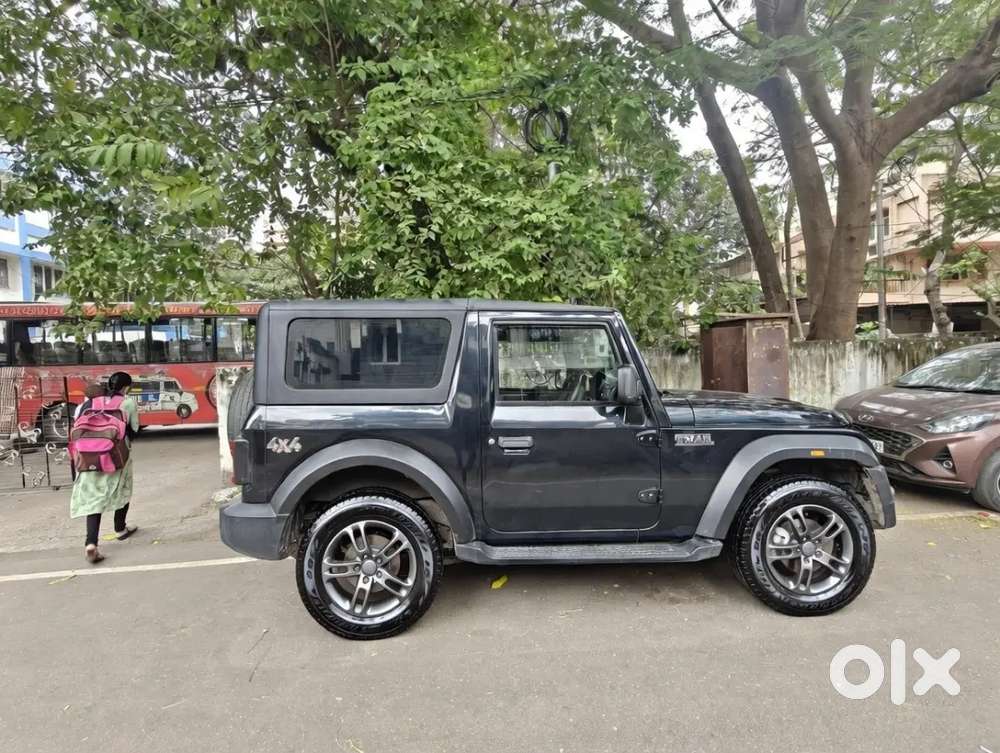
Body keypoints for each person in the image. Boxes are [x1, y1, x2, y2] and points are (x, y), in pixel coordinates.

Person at [70, 371, 140, 563]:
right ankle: (120, 528)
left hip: (87, 457)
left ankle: (91, 543)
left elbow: (77, 427)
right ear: (127, 387)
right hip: (115, 456)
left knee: (94, 499)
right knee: (122, 488)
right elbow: (134, 429)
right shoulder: (127, 402)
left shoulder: (89, 402)